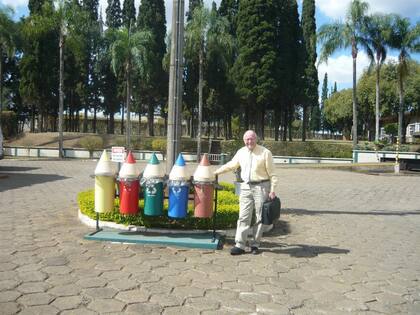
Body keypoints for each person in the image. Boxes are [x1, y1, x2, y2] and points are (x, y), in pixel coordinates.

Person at [214, 130, 277, 255]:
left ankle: (255, 245)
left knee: (260, 217)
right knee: (243, 216)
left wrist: (273, 189)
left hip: (262, 187)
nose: (250, 141)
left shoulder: (265, 153)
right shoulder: (241, 152)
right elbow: (231, 165)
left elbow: (273, 174)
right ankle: (240, 245)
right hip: (245, 187)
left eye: (252, 138)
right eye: (247, 139)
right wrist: (216, 172)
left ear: (256, 139)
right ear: (244, 140)